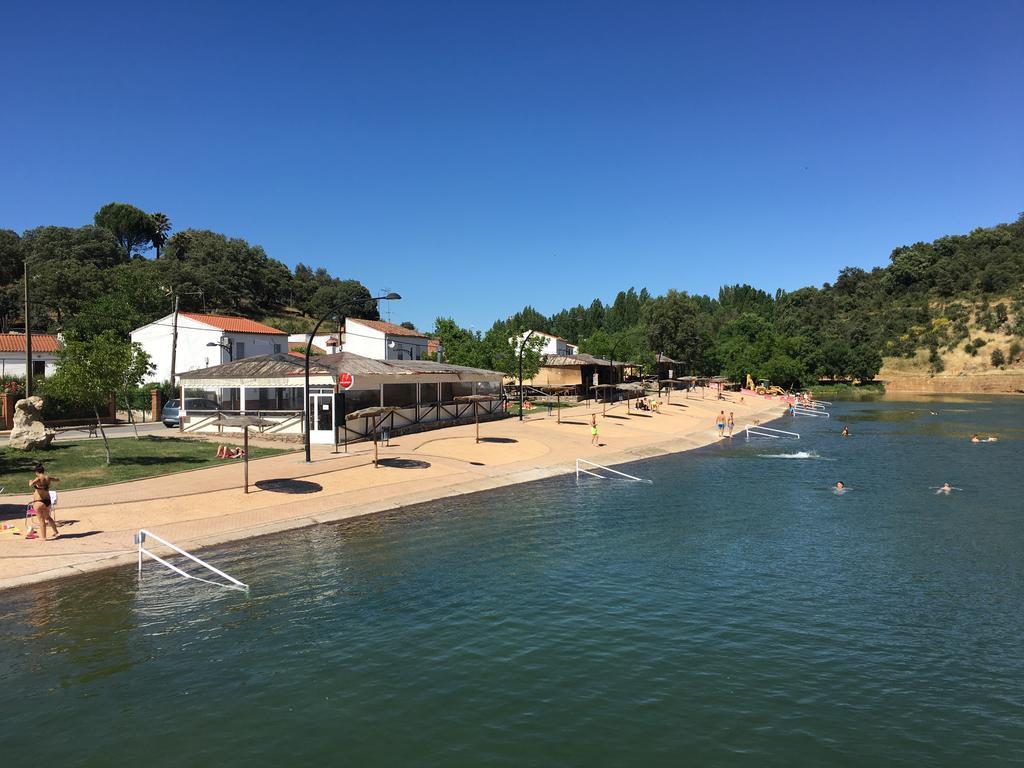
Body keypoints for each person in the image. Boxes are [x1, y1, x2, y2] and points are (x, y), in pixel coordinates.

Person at [28, 464, 59, 541]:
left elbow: (31, 485)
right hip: (47, 501)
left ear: (36, 472)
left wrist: (30, 481)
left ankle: (43, 537)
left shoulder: (38, 478)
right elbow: (57, 479)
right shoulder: (48, 477)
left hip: (39, 501)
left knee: (41, 520)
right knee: (48, 517)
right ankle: (56, 531)